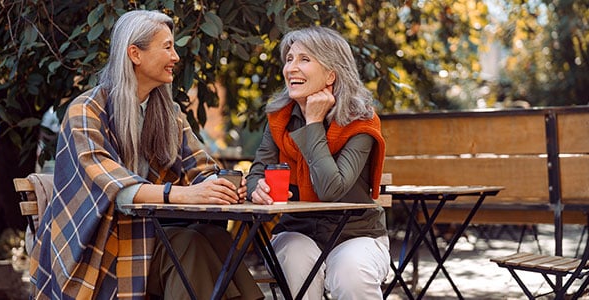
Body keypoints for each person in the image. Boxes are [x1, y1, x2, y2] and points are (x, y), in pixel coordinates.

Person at [29, 10, 264, 300]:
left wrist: (222, 185)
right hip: (98, 251)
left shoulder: (169, 114)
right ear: (135, 54)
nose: (176, 57)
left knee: (213, 237)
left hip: (150, 237)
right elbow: (114, 188)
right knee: (190, 245)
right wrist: (187, 195)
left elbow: (200, 167)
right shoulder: (86, 111)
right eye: (167, 47)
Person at [246, 26, 390, 299]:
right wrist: (257, 188)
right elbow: (257, 172)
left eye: (304, 59)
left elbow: (330, 189)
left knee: (352, 272)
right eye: (289, 59)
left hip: (357, 233)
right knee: (294, 260)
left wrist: (313, 123)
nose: (291, 68)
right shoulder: (279, 119)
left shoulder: (361, 121)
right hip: (297, 230)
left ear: (331, 74)